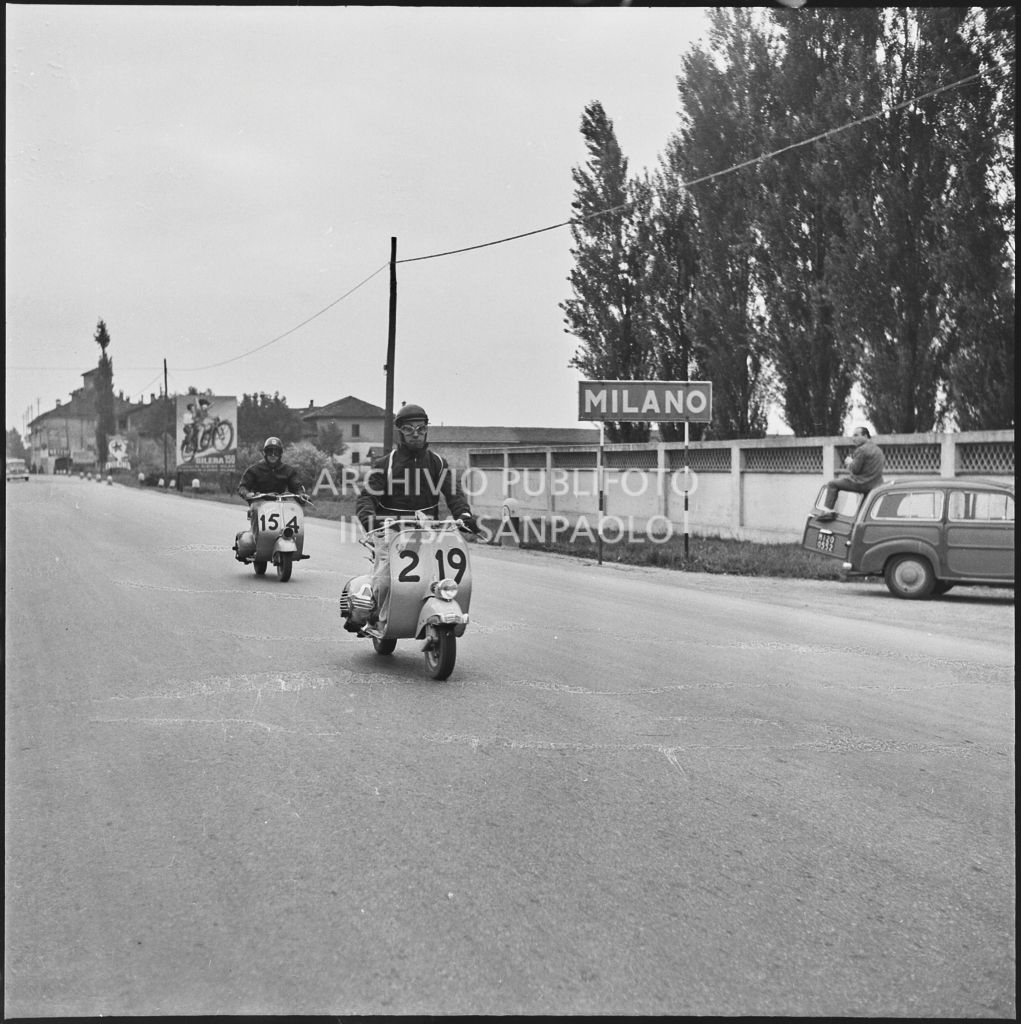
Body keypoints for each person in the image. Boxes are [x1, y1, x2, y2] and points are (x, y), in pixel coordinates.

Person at [343, 403, 478, 632]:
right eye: (408, 429)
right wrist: (370, 519)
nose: (415, 433)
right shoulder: (385, 464)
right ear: (400, 432)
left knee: (445, 579)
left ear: (426, 429)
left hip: (428, 533)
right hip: (392, 531)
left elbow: (453, 493)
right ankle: (370, 614)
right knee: (386, 580)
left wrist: (463, 514)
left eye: (420, 428)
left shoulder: (437, 463)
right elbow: (367, 497)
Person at [236, 437, 308, 543]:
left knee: (293, 509)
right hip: (260, 501)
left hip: (280, 502)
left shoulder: (288, 470)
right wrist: (247, 494)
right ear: (265, 453)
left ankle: (292, 539)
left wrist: (301, 494)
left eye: (276, 452)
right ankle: (257, 542)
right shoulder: (254, 470)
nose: (273, 455)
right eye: (270, 451)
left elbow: (296, 486)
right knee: (255, 509)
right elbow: (243, 486)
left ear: (280, 454)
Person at [816, 426, 885, 520]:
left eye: (856, 435)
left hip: (860, 484)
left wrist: (849, 462)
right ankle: (861, 519)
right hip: (875, 485)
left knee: (832, 484)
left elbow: (855, 469)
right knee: (863, 505)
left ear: (865, 436)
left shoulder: (861, 450)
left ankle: (828, 511)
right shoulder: (879, 450)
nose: (853, 438)